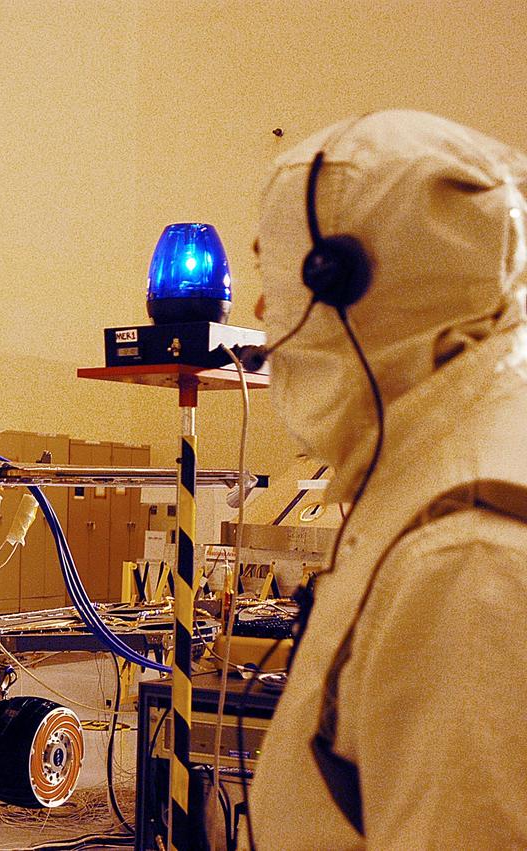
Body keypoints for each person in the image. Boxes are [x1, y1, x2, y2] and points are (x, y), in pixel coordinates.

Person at [250, 110, 527, 848]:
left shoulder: (466, 558)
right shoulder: (441, 463)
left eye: (274, 277)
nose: (262, 312)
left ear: (340, 281)